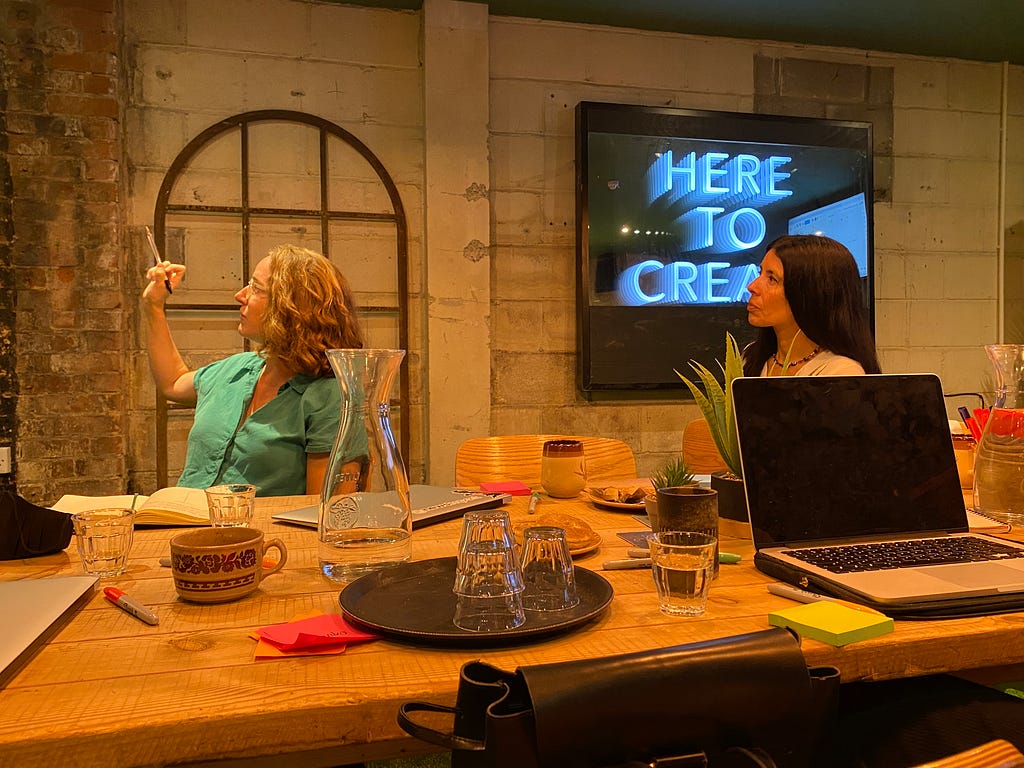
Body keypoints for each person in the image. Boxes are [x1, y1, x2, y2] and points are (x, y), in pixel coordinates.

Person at [142, 244, 364, 496]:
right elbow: (173, 381)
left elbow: (326, 511)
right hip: (187, 528)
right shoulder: (238, 369)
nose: (240, 294)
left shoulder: (329, 395)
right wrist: (153, 306)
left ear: (293, 309)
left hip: (261, 534)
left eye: (257, 288)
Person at [743, 234, 881, 377]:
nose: (752, 286)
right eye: (760, 273)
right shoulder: (751, 357)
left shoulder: (841, 373)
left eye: (772, 279)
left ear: (809, 293)